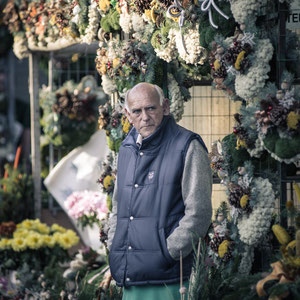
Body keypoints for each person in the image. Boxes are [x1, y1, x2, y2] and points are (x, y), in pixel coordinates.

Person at [107, 82, 212, 299]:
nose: (144, 117)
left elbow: (199, 213)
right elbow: (118, 206)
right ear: (128, 115)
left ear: (165, 107)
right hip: (130, 276)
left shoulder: (187, 146)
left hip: (170, 279)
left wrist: (167, 252)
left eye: (151, 108)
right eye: (137, 111)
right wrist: (114, 243)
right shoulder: (126, 150)